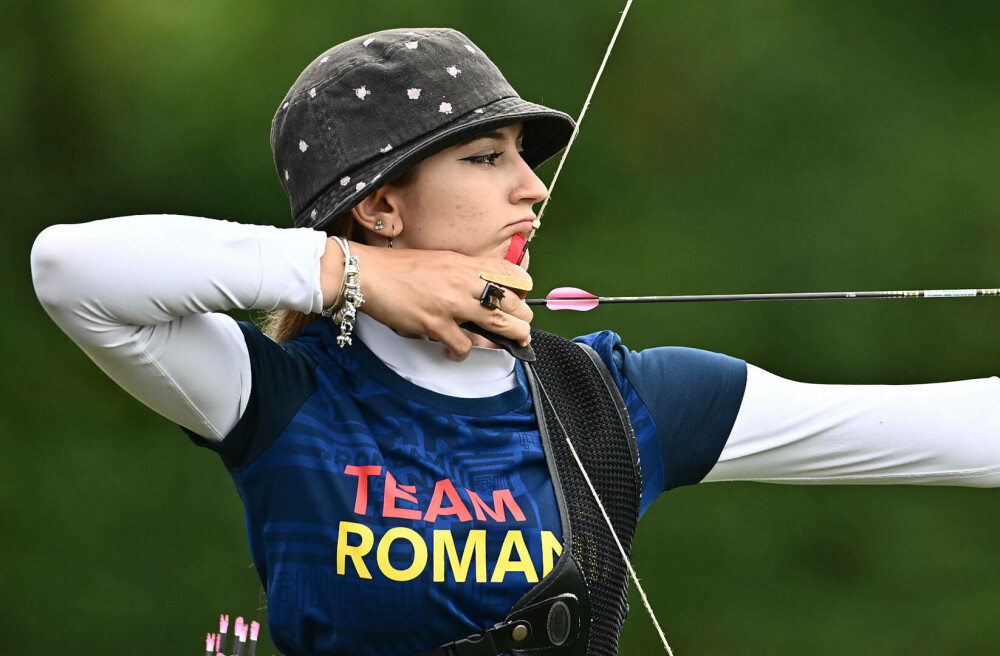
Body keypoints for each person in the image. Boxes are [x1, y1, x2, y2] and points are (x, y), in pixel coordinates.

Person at [29, 27, 1000, 656]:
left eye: (526, 164)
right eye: (487, 157)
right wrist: (347, 274)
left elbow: (972, 430)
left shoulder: (622, 401)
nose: (530, 187)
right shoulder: (279, 396)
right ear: (380, 202)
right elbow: (69, 269)